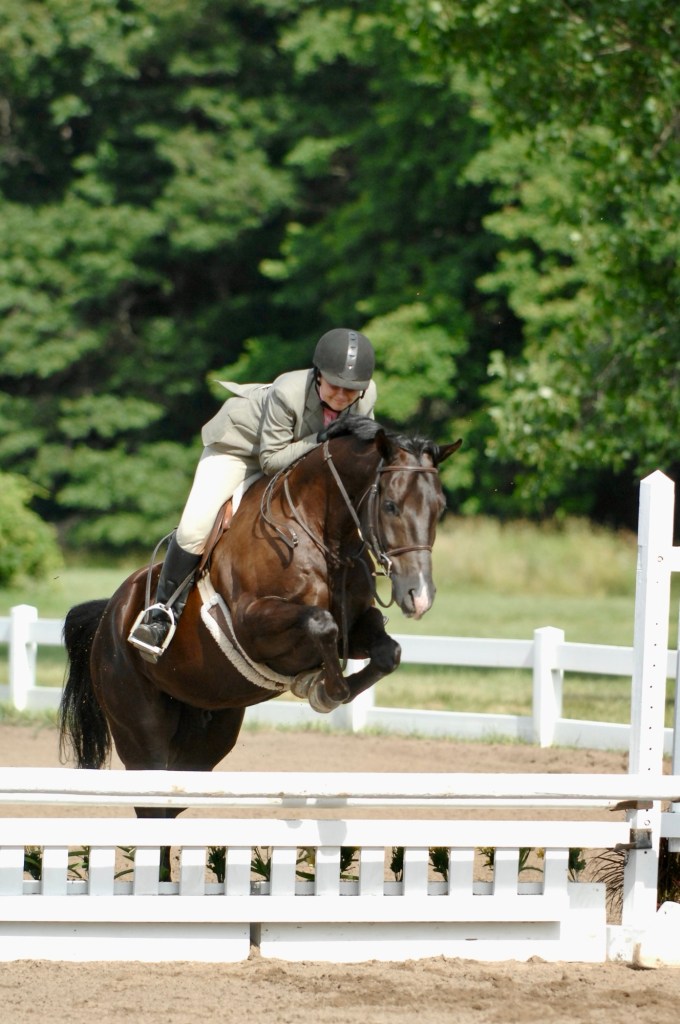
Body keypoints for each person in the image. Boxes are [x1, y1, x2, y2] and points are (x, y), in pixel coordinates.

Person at [129, 327, 377, 660]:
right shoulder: (288, 392)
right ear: (319, 374)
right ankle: (162, 612)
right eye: (335, 386)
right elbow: (271, 460)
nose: (343, 396)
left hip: (300, 456)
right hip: (240, 449)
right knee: (194, 528)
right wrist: (326, 436)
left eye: (352, 390)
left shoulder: (367, 394)